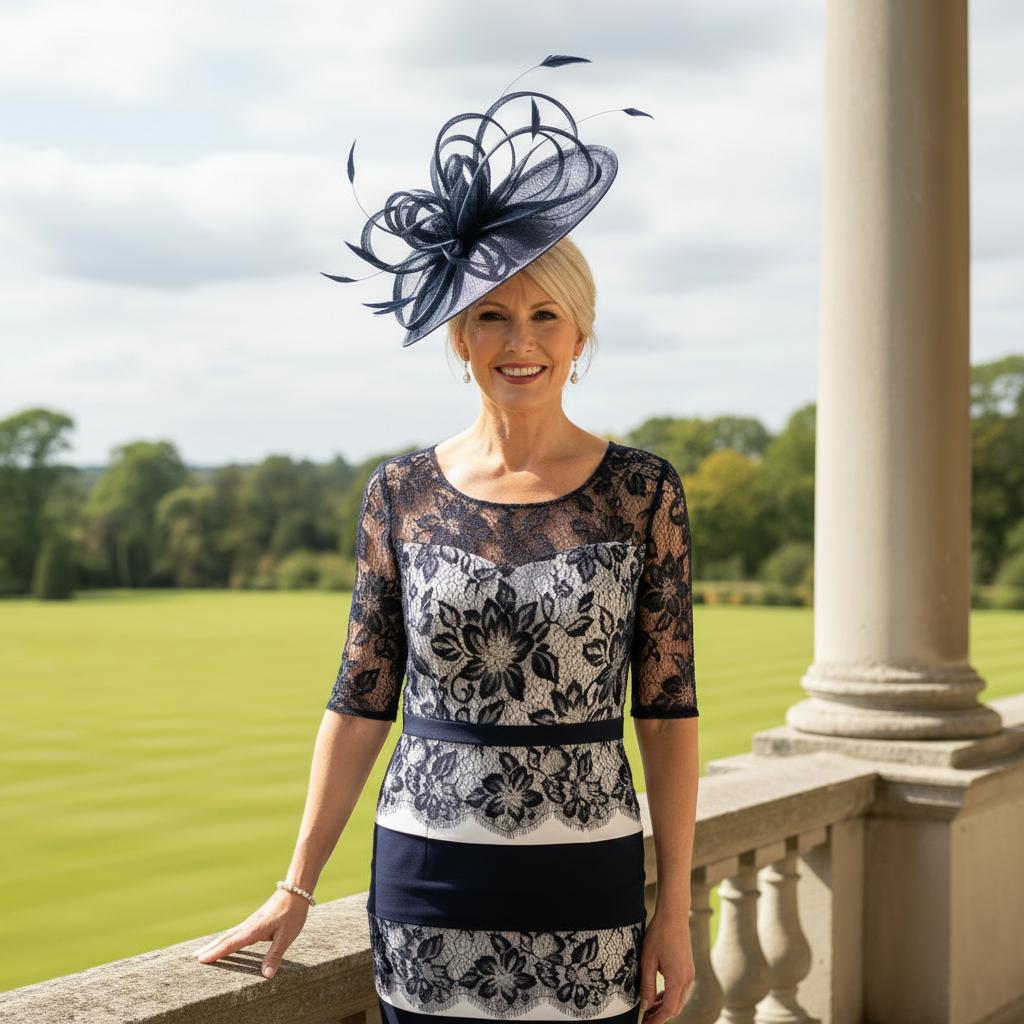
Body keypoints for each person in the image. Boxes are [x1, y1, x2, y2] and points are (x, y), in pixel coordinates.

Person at [196, 56, 700, 1024]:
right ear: (460, 337)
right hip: (427, 880)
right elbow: (359, 701)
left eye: (545, 315)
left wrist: (672, 911)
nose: (521, 341)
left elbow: (667, 712)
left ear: (581, 334)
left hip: (589, 878)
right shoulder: (401, 492)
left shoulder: (643, 491)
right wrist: (296, 885)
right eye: (492, 317)